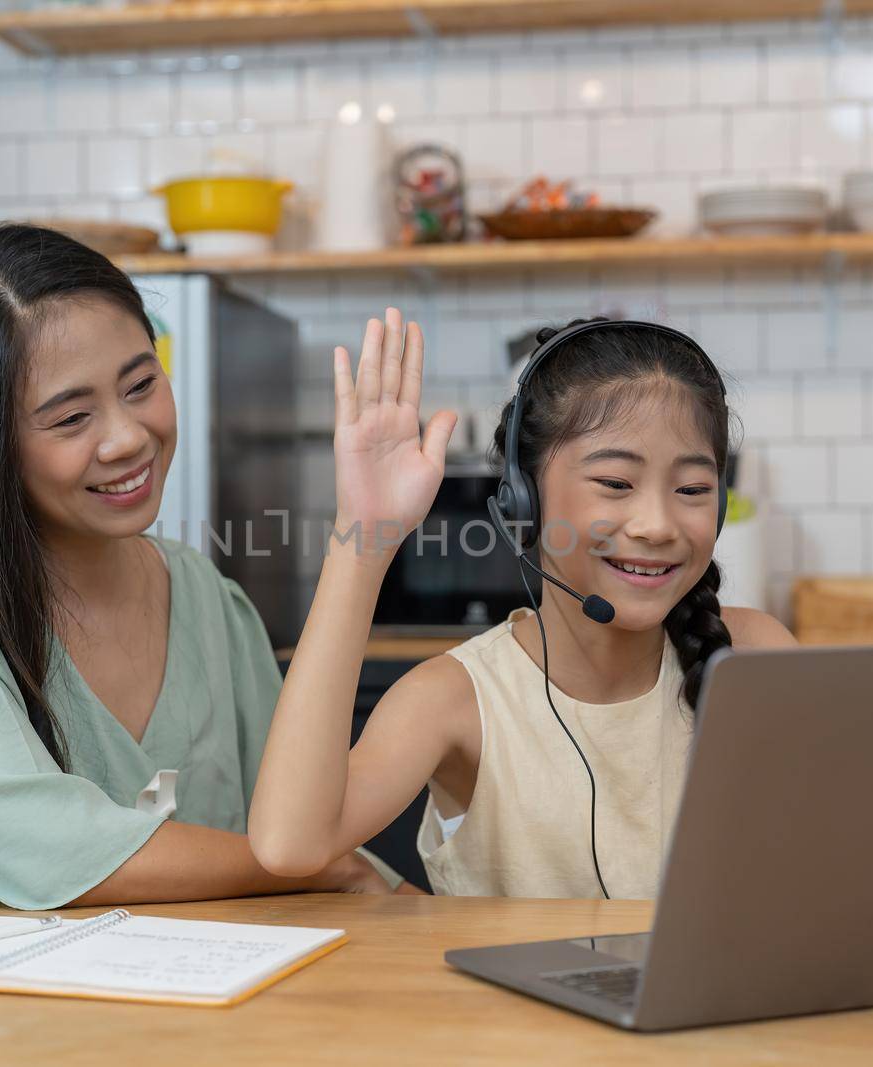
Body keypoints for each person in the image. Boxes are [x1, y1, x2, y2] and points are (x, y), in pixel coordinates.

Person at [0, 224, 431, 909]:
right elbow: (44, 848)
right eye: (72, 417)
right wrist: (312, 869)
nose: (127, 437)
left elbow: (310, 822)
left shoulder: (205, 595)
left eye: (141, 384)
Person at [250, 318, 796, 898]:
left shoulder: (754, 657)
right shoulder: (455, 699)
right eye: (615, 482)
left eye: (691, 489)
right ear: (523, 498)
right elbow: (290, 845)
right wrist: (364, 537)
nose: (657, 525)